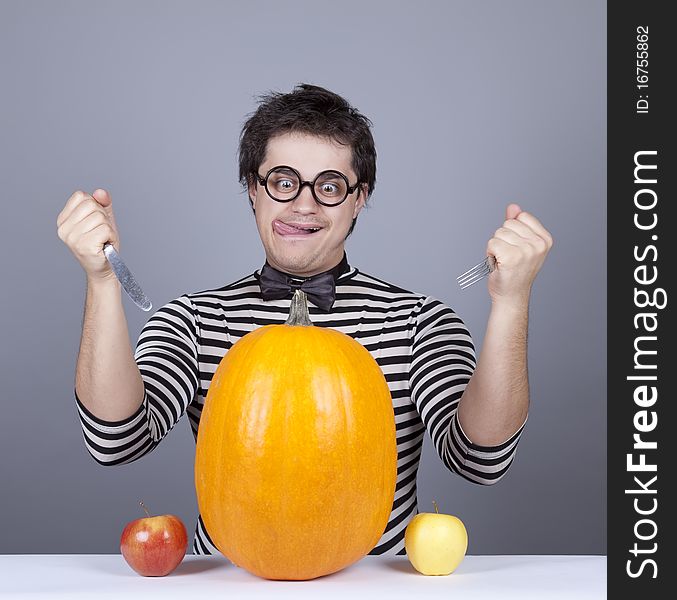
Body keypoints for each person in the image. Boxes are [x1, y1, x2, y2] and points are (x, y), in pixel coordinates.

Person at [56, 83, 553, 556]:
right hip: (231, 582)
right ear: (253, 189)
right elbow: (115, 442)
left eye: (331, 185)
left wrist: (512, 302)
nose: (304, 203)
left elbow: (480, 461)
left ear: (360, 198)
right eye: (284, 181)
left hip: (376, 584)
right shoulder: (195, 320)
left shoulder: (419, 322)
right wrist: (102, 282)